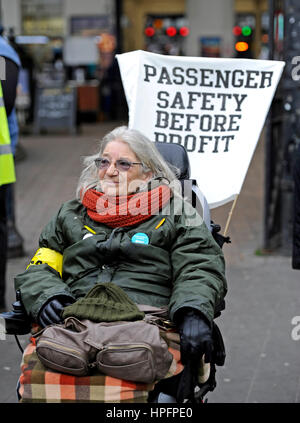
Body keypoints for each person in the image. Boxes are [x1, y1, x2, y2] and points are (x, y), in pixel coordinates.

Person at [15, 125, 227, 402]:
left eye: (123, 164)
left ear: (149, 173)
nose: (110, 170)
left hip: (148, 318)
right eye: (104, 161)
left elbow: (199, 266)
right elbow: (41, 264)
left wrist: (193, 310)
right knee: (39, 380)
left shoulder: (176, 214)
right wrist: (46, 295)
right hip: (75, 317)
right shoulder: (71, 214)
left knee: (130, 379)